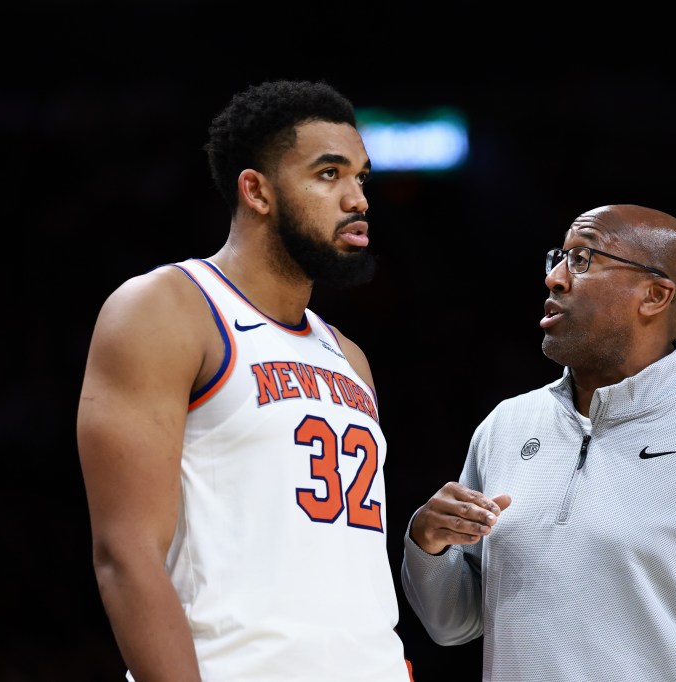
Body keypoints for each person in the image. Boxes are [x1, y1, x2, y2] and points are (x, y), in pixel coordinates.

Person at [401, 204, 676, 680]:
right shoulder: (506, 426)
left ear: (654, 295)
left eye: (583, 259)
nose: (555, 278)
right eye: (558, 258)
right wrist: (428, 544)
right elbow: (454, 623)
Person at [77, 79, 414, 682]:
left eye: (362, 177)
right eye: (329, 174)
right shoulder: (167, 309)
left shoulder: (351, 358)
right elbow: (125, 555)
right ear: (256, 191)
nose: (358, 199)